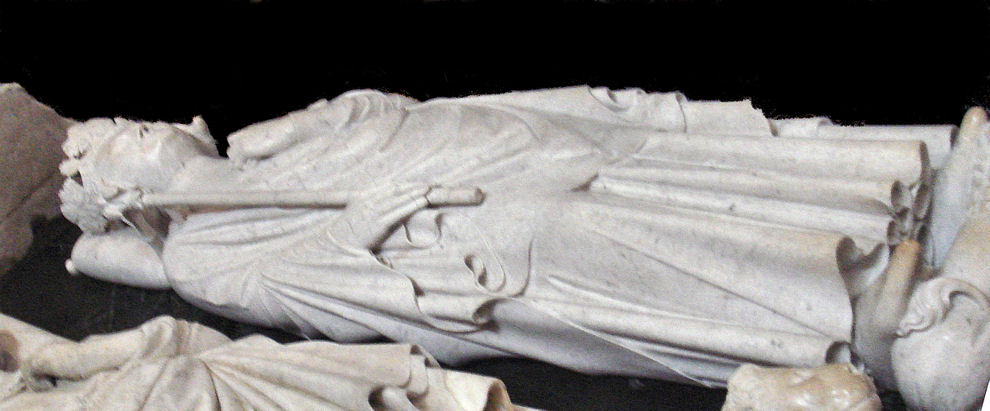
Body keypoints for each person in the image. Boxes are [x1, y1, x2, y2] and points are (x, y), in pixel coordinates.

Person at [60, 86, 939, 388]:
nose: (144, 125)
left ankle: (883, 201)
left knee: (607, 140)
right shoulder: (197, 253)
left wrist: (339, 118)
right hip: (424, 245)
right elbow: (296, 290)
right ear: (128, 195)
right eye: (123, 141)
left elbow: (374, 111)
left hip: (455, 151)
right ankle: (847, 308)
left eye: (131, 121)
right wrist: (376, 212)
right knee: (551, 224)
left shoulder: (255, 144)